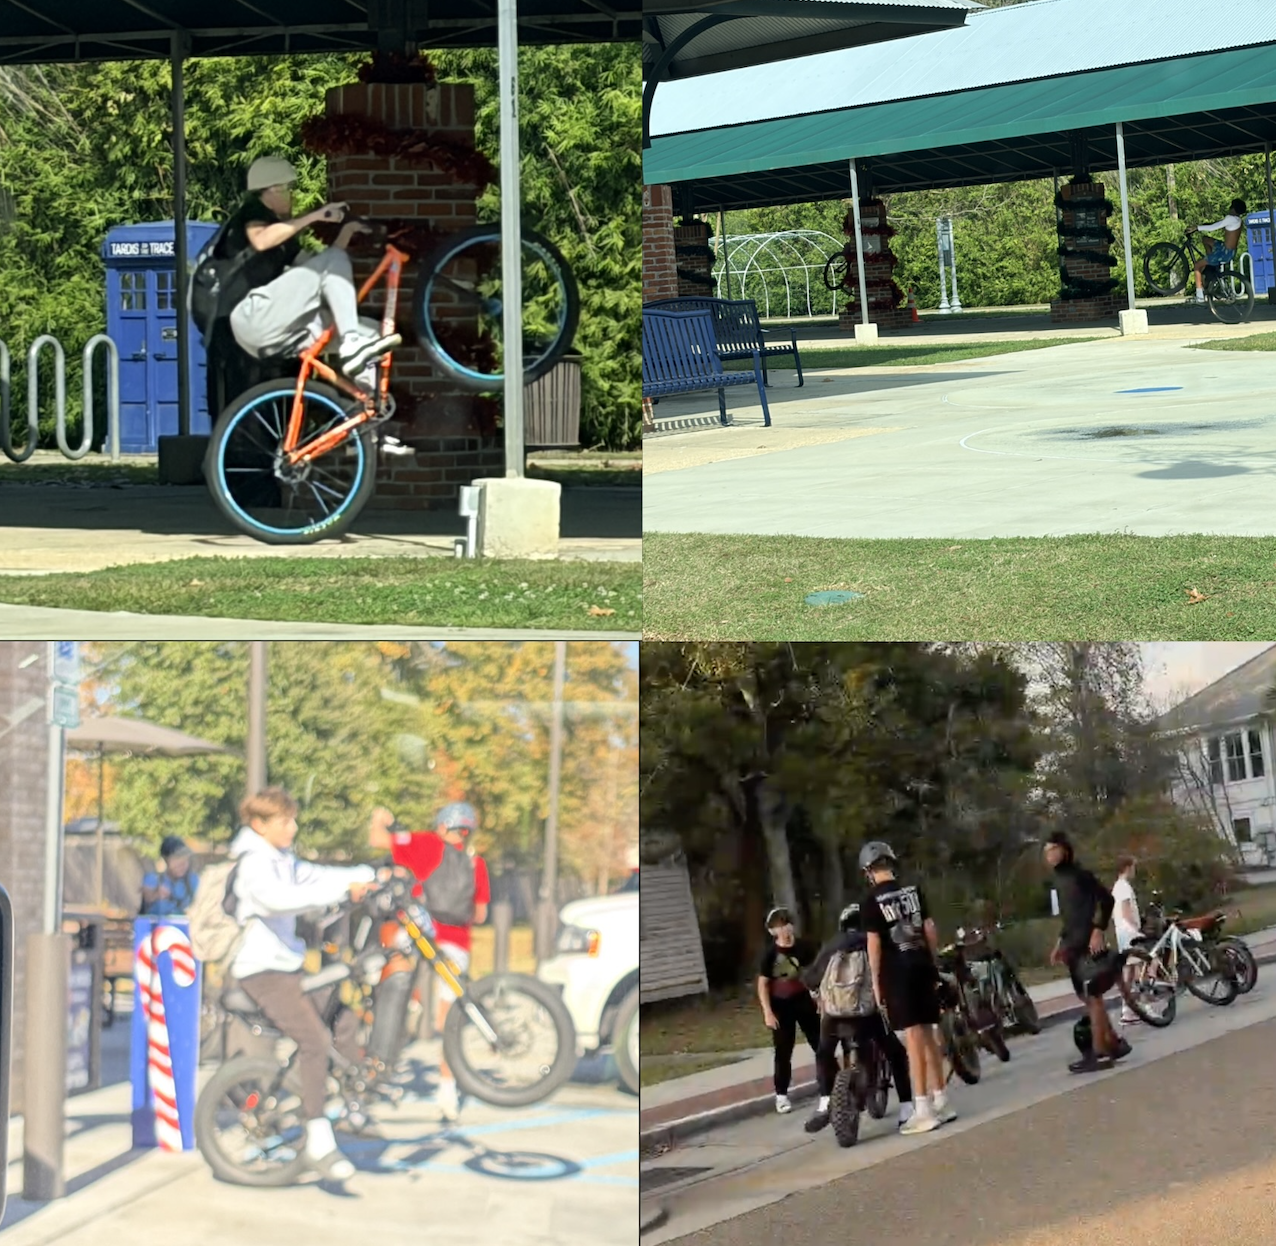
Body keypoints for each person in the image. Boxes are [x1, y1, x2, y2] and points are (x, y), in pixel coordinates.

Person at [228, 786, 378, 1181]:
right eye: (284, 821)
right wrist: (341, 890)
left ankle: (351, 1099)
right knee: (314, 1041)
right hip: (261, 973)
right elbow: (281, 900)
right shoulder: (252, 864)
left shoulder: (280, 858)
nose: (293, 827)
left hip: (288, 967)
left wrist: (373, 873)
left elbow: (319, 874)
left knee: (342, 1015)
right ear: (260, 825)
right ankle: (317, 1137)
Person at [217, 156, 401, 379]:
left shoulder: (286, 239)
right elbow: (261, 240)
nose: (292, 196)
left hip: (275, 330)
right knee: (351, 335)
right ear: (273, 190)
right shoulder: (253, 212)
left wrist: (347, 232)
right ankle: (350, 341)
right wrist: (314, 216)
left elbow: (322, 272)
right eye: (289, 189)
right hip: (251, 316)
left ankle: (368, 406)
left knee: (373, 334)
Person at [367, 801, 490, 1122]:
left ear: (441, 826)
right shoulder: (476, 863)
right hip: (456, 944)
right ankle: (447, 1091)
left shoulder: (427, 844)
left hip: (421, 934)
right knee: (449, 1018)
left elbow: (378, 839)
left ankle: (381, 1061)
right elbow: (480, 914)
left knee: (391, 975)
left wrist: (382, 818)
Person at [799, 902, 915, 1135]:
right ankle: (906, 1108)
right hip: (866, 1013)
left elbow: (810, 979)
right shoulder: (875, 940)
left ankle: (823, 1103)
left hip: (834, 1015)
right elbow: (893, 971)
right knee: (896, 1053)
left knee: (823, 1052)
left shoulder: (832, 945)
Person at [860, 840, 952, 1135]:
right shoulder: (913, 890)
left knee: (912, 1037)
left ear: (869, 872)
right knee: (928, 1032)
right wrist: (933, 961)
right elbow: (930, 929)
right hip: (923, 965)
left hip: (897, 973)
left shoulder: (871, 901)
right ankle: (941, 1100)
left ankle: (922, 1109)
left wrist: (876, 982)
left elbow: (874, 944)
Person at [1044, 830, 1131, 1073]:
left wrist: (1098, 930)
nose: (1049, 855)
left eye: (1053, 850)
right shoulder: (1058, 880)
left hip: (1087, 944)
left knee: (1093, 997)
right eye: (1046, 852)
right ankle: (1112, 1043)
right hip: (1072, 944)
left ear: (1065, 850)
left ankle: (1101, 1052)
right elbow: (1069, 917)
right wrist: (1059, 943)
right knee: (1088, 998)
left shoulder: (1080, 875)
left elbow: (1107, 900)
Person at [757, 906, 821, 1114]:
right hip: (781, 1004)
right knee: (783, 1050)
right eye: (779, 927)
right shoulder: (770, 955)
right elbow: (763, 984)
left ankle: (830, 1084)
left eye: (786, 924)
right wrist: (767, 1011)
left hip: (804, 1000)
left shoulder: (805, 947)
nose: (784, 930)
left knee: (820, 1043)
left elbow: (817, 972)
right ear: (772, 932)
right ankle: (781, 1095)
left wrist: (820, 997)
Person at [1191, 198, 1247, 303]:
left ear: (1233, 209)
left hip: (1223, 252)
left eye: (1231, 207)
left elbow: (1214, 227)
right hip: (1229, 251)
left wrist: (1196, 228)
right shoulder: (1238, 220)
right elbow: (1219, 223)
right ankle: (1211, 265)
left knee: (1197, 265)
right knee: (1206, 240)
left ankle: (1199, 296)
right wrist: (1204, 225)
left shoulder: (1230, 218)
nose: (1229, 209)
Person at [1111, 854, 1142, 1026]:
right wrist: (1137, 930)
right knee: (1140, 970)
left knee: (1129, 973)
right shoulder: (1123, 887)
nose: (1134, 871)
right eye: (1133, 867)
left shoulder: (1117, 886)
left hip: (1122, 933)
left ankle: (1127, 1011)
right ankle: (1142, 1006)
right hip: (1129, 934)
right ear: (1128, 867)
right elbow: (1125, 911)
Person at [141, 835, 200, 916]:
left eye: (185, 859)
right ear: (165, 860)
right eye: (176, 859)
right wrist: (155, 895)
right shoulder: (153, 879)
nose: (182, 864)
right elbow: (145, 897)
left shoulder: (194, 880)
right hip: (157, 927)